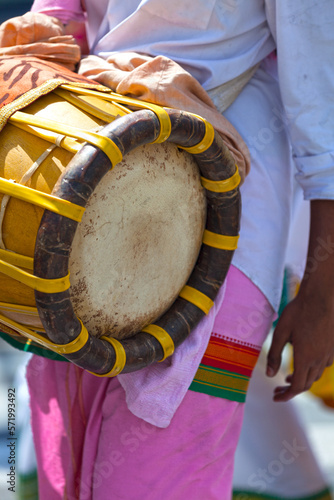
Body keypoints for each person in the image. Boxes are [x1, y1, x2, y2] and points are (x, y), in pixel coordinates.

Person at [2, 1, 334, 498]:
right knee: (69, 476)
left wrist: (323, 296)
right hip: (81, 195)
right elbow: (62, 11)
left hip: (227, 230)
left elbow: (323, 114)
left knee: (162, 478)